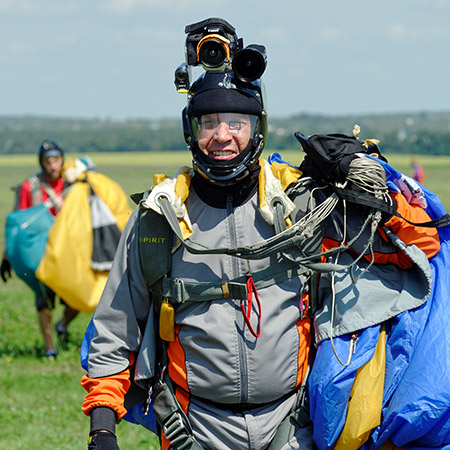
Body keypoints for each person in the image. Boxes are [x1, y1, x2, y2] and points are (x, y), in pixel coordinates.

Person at [80, 18, 441, 450]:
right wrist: (102, 427)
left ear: (257, 128)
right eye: (208, 122)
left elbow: (419, 246)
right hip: (195, 428)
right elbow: (114, 330)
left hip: (294, 425)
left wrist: (369, 188)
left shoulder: (301, 206)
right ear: (190, 131)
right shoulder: (159, 218)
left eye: (236, 122)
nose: (222, 136)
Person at [1, 139, 79, 360]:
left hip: (68, 250)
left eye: (56, 160)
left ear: (62, 160)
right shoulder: (30, 186)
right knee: (43, 299)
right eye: (47, 161)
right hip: (39, 252)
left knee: (76, 298)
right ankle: (50, 349)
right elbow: (17, 223)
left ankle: (62, 325)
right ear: (41, 162)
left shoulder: (73, 184)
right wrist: (7, 256)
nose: (52, 165)